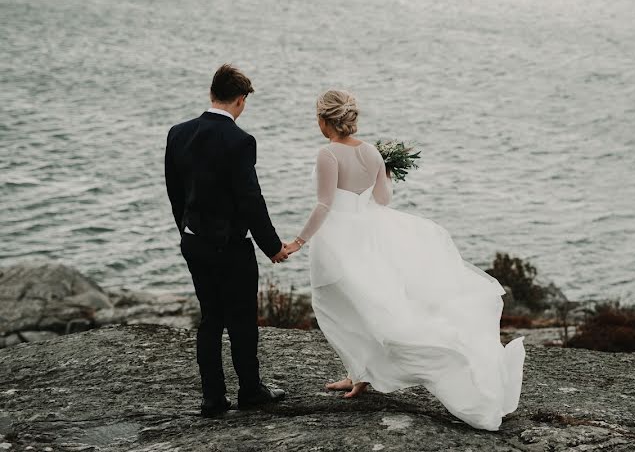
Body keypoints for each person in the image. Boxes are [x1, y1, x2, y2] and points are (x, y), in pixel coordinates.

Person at [284, 89, 525, 431]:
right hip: (368, 236)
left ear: (325, 121)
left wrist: (297, 242)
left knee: (334, 306)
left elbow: (324, 205)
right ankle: (360, 374)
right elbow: (382, 198)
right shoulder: (370, 152)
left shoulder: (327, 154)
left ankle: (364, 373)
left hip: (338, 239)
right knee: (363, 306)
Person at [164, 64, 298, 418]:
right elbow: (250, 200)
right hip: (230, 246)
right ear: (240, 100)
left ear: (212, 93)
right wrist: (273, 247)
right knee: (241, 319)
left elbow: (175, 191)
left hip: (194, 241)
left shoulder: (178, 133)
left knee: (210, 319)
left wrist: (186, 230)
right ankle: (250, 391)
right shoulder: (240, 141)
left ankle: (212, 398)